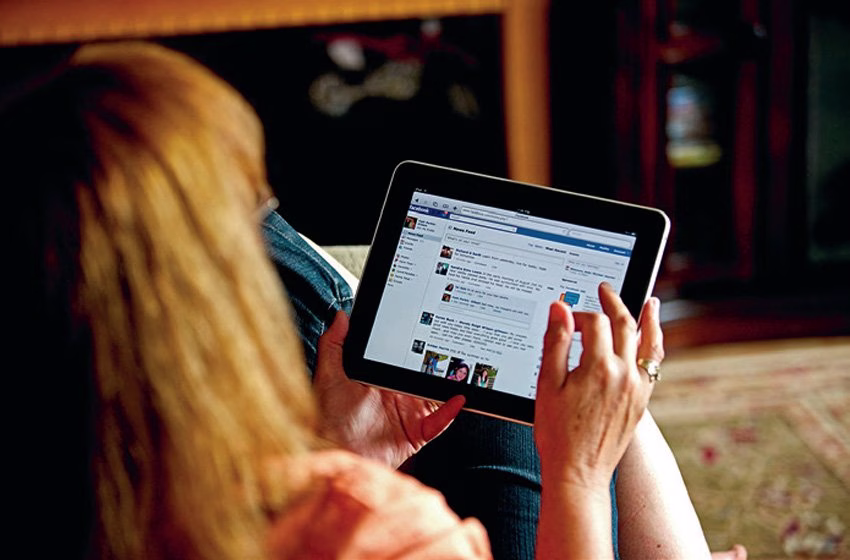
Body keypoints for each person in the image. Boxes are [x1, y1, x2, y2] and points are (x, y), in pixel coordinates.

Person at [4, 40, 735, 560]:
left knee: (543, 370)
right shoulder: (381, 532)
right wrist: (579, 473)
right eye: (251, 208)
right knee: (563, 377)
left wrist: (337, 445)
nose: (268, 220)